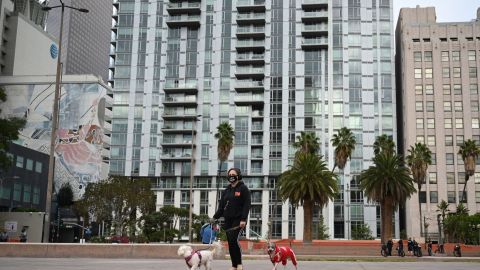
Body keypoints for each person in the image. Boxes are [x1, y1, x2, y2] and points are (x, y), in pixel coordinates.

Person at [212, 168, 251, 270]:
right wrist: (214, 218)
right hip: (228, 220)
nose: (231, 176)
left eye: (233, 174)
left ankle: (239, 264)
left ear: (238, 176)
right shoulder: (226, 191)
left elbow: (247, 205)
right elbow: (221, 208)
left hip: (238, 220)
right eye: (230, 174)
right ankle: (234, 265)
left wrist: (243, 219)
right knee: (230, 242)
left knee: (234, 240)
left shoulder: (243, 189)